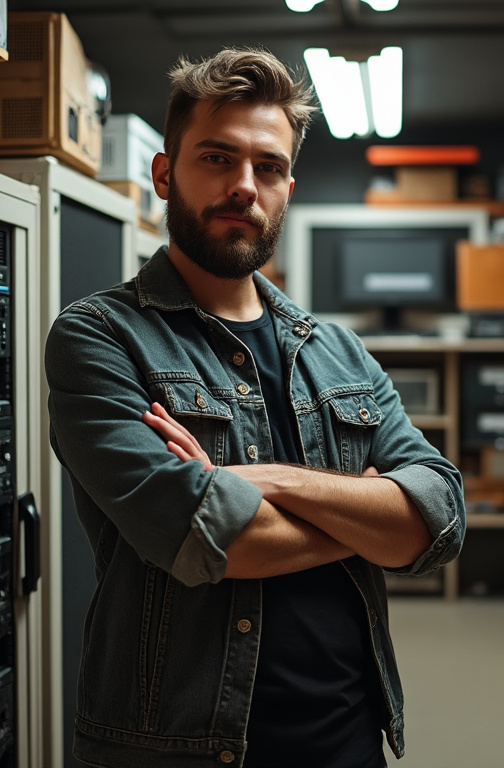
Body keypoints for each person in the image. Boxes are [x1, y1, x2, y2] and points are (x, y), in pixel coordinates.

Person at [44, 47, 465, 768]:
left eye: (268, 167)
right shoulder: (100, 336)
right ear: (165, 173)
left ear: (287, 187)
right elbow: (211, 542)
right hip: (181, 749)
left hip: (347, 737)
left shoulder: (338, 350)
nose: (245, 185)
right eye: (218, 158)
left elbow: (439, 517)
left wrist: (262, 481)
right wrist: (368, 516)